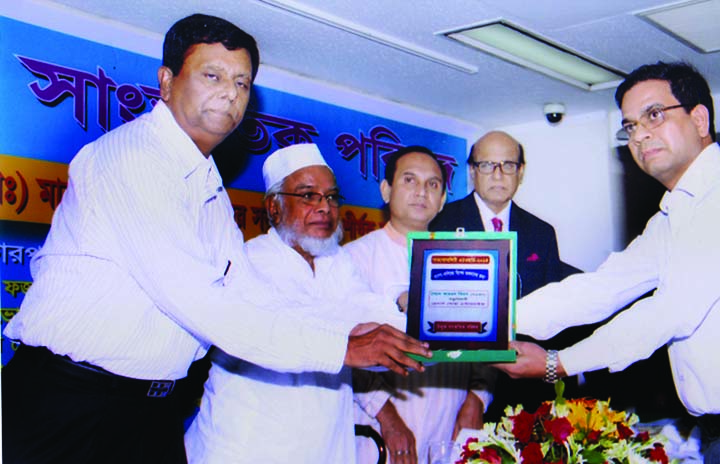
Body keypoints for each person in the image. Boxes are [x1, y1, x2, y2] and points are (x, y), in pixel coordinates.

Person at [1, 14, 428, 464]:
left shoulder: (210, 190)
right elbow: (204, 306)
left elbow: (253, 297)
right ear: (166, 81)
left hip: (149, 412)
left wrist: (380, 327)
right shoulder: (131, 158)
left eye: (242, 83)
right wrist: (344, 345)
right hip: (68, 405)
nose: (230, 92)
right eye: (213, 75)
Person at [495, 61, 720, 463]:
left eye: (654, 115)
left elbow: (672, 310)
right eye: (630, 125)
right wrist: (488, 318)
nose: (639, 134)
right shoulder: (671, 218)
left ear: (699, 118)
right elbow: (600, 289)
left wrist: (558, 364)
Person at [185, 143, 409, 462]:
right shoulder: (250, 261)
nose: (324, 207)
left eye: (331, 197)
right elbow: (299, 325)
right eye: (307, 196)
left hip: (325, 447)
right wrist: (363, 333)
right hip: (247, 447)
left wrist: (455, 330)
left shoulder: (338, 263)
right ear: (274, 208)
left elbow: (373, 313)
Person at [347, 146, 493, 464]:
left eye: (433, 184)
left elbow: (487, 339)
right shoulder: (353, 259)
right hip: (380, 431)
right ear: (386, 190)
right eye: (409, 180)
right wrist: (388, 418)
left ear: (442, 200)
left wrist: (477, 399)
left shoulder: (466, 259)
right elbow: (345, 352)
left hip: (450, 424)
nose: (421, 192)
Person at [430, 131, 581, 420]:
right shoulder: (442, 224)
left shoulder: (541, 232)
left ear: (520, 172)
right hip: (459, 385)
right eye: (487, 165)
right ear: (472, 171)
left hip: (528, 383)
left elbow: (555, 315)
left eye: (508, 165)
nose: (498, 175)